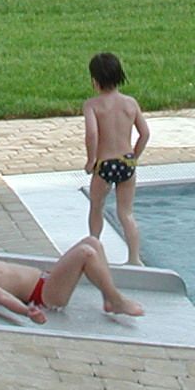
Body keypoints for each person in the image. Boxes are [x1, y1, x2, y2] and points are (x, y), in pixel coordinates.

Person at [0, 222, 144, 322]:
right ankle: (116, 301)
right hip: (46, 296)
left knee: (92, 242)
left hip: (46, 281)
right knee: (87, 252)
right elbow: (3, 298)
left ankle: (108, 296)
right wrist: (28, 313)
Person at [83, 52, 151, 265]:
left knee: (96, 206)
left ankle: (95, 250)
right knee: (126, 213)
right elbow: (145, 133)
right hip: (127, 163)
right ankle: (134, 258)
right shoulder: (130, 103)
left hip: (105, 164)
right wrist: (134, 156)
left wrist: (91, 160)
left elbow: (92, 134)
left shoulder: (92, 105)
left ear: (95, 80)